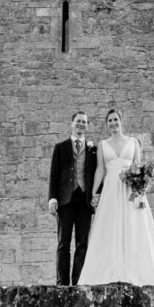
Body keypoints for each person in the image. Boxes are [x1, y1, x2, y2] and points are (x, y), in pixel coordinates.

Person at [78, 108, 154, 286]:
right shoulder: (103, 145)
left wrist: (141, 192)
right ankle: (111, 270)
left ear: (121, 121)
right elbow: (100, 170)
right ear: (107, 124)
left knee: (133, 226)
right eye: (110, 121)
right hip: (111, 189)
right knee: (109, 226)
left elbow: (138, 167)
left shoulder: (133, 142)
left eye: (115, 120)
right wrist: (93, 192)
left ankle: (135, 270)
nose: (113, 123)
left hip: (130, 190)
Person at [48, 110, 98, 285]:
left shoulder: (93, 150)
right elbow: (54, 175)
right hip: (65, 200)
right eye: (78, 121)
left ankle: (78, 281)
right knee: (63, 243)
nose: (81, 124)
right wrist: (52, 199)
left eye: (84, 122)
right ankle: (62, 283)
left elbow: (97, 174)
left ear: (87, 125)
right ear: (72, 123)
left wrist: (96, 195)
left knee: (82, 242)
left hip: (84, 200)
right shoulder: (60, 148)